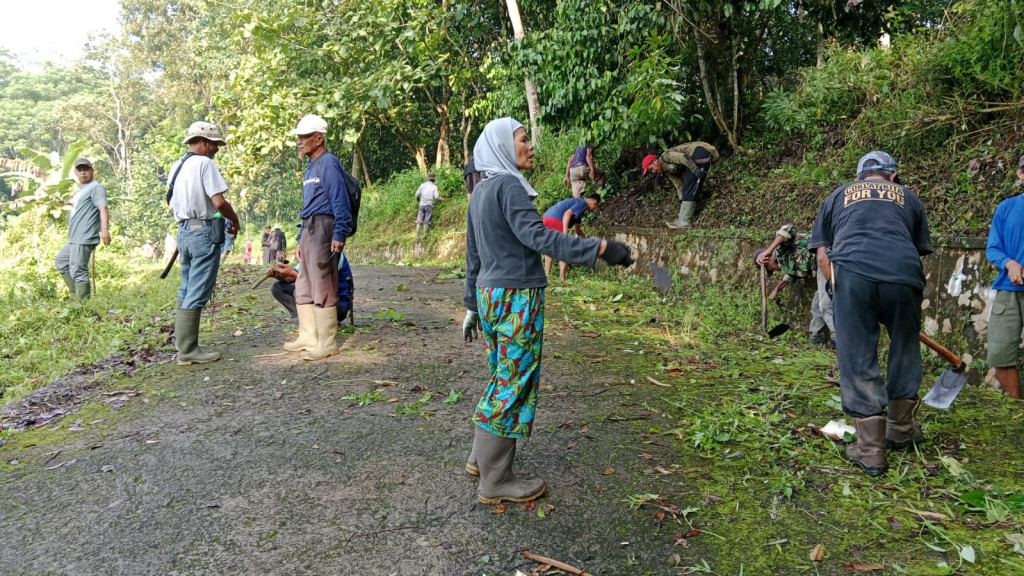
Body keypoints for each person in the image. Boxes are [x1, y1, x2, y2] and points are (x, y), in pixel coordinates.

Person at [461, 117, 634, 504]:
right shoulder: (508, 186)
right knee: (512, 383)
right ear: (505, 146)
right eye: (523, 139)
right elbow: (537, 236)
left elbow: (473, 256)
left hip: (491, 296)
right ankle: (495, 481)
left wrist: (472, 305)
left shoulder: (481, 192)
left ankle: (480, 459)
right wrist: (599, 250)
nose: (530, 146)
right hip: (516, 298)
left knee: (502, 375)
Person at [809, 151, 932, 476]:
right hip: (904, 275)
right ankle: (901, 428)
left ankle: (870, 449)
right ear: (892, 176)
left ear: (860, 175)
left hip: (853, 273)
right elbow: (916, 251)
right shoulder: (908, 197)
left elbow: (824, 258)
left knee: (857, 353)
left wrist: (839, 293)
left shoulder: (838, 195)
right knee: (905, 346)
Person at [168, 121, 241, 366]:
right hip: (203, 230)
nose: (216, 149)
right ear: (204, 142)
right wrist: (234, 219)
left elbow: (171, 205)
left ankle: (184, 347)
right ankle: (188, 350)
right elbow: (219, 202)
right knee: (198, 289)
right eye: (214, 145)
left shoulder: (176, 165)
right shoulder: (205, 164)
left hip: (184, 231)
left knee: (186, 287)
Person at [284, 114, 354, 361]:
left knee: (323, 284)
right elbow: (309, 204)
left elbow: (339, 200)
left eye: (304, 137)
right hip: (309, 228)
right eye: (299, 137)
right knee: (303, 284)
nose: (300, 142)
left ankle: (327, 342)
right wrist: (301, 237)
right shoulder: (311, 166)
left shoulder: (329, 163)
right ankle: (308, 336)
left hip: (325, 227)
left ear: (319, 138)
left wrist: (339, 233)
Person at [983, 153, 1024, 400]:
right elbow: (993, 248)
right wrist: (1009, 263)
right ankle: (1016, 407)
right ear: (1021, 174)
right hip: (1008, 291)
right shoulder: (1006, 208)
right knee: (1000, 353)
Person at [754, 223, 835, 347]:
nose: (774, 270)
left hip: (824, 256)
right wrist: (777, 289)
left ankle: (838, 337)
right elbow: (792, 273)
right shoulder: (784, 264)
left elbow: (788, 228)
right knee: (816, 305)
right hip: (820, 264)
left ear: (769, 259)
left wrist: (769, 250)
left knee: (825, 304)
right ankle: (815, 337)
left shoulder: (780, 250)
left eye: (770, 268)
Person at [55, 157, 111, 299]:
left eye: (86, 170)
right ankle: (76, 295)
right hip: (74, 237)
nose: (83, 173)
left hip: (84, 236)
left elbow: (103, 208)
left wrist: (105, 229)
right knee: (61, 261)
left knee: (78, 270)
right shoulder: (80, 190)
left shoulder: (95, 187)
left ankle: (83, 305)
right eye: (80, 170)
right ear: (75, 172)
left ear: (92, 171)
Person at [642, 141, 719, 229]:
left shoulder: (666, 157)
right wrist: (682, 199)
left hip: (698, 155)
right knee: (687, 189)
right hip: (694, 159)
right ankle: (681, 220)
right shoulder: (668, 171)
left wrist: (695, 170)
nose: (653, 172)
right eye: (651, 171)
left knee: (689, 187)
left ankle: (685, 221)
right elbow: (679, 185)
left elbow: (683, 157)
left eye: (652, 169)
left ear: (655, 161)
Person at [269, 253, 353, 322]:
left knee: (308, 289)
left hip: (337, 305)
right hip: (321, 297)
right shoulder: (310, 254)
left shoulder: (333, 255)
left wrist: (292, 273)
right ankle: (300, 316)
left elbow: (318, 285)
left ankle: (327, 320)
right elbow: (291, 278)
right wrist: (279, 275)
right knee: (278, 287)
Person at [541, 193, 602, 282]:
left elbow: (578, 231)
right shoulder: (582, 203)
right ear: (595, 203)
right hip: (556, 219)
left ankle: (547, 276)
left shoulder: (579, 211)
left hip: (546, 218)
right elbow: (566, 214)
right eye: (596, 207)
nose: (594, 209)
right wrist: (565, 233)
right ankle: (562, 279)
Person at [414, 172, 444, 237]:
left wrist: (417, 199)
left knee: (419, 220)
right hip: (429, 205)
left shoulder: (422, 185)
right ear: (434, 179)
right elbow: (436, 196)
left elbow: (416, 194)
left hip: (421, 205)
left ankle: (416, 235)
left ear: (428, 178)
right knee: (427, 220)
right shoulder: (434, 186)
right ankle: (424, 236)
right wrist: (441, 199)